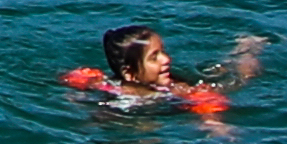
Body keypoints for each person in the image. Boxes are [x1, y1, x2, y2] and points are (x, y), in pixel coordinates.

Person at [69, 23, 265, 115]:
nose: (167, 59)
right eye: (154, 57)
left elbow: (205, 100)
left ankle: (247, 51)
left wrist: (214, 125)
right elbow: (78, 80)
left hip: (174, 96)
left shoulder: (172, 90)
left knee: (241, 77)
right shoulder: (109, 86)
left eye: (162, 51)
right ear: (129, 73)